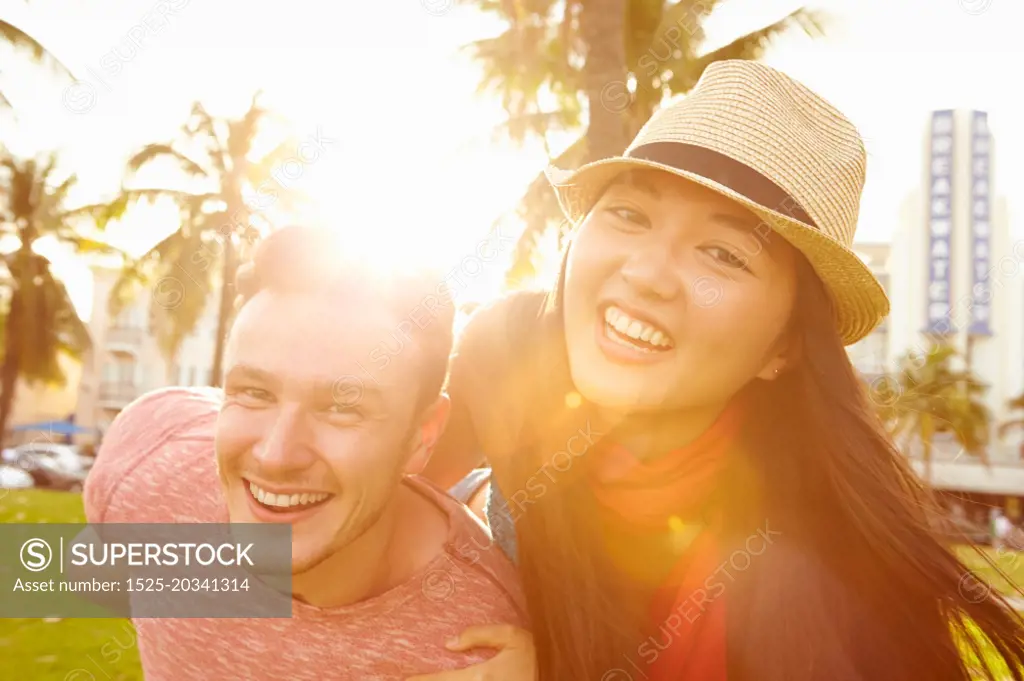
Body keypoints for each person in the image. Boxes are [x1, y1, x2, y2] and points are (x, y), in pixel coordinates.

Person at [415, 60, 1024, 681]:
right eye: (629, 214)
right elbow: (325, 514)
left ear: (781, 348)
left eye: (723, 254)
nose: (647, 274)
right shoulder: (497, 356)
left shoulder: (823, 593)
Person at [83, 225, 526, 680]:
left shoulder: (480, 651)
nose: (276, 455)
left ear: (422, 434)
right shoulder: (149, 458)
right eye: (254, 392)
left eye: (342, 408)